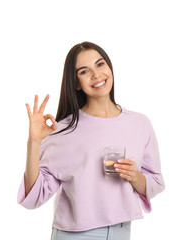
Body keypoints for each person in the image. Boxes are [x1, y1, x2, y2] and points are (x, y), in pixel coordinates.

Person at [17, 41, 165, 240]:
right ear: (76, 83)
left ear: (110, 67)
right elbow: (34, 196)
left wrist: (134, 176)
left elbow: (155, 182)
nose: (96, 75)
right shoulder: (63, 130)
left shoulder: (140, 124)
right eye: (84, 71)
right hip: (74, 234)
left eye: (100, 64)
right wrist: (33, 142)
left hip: (121, 232)